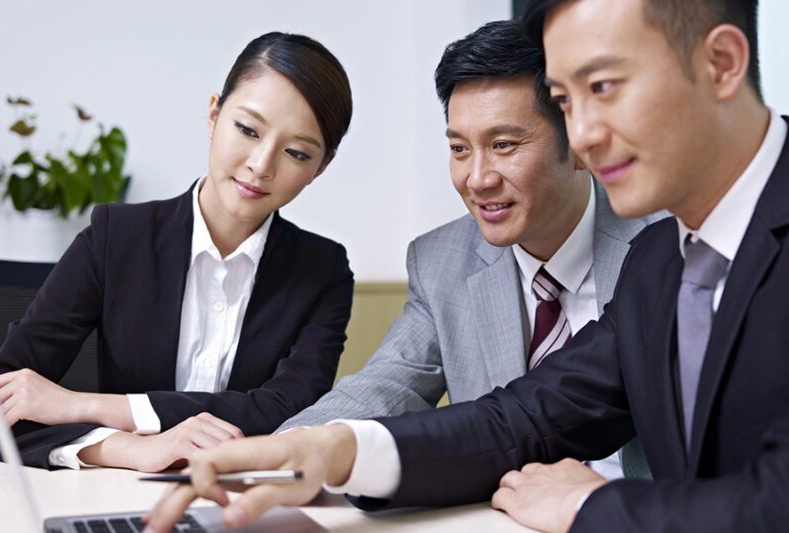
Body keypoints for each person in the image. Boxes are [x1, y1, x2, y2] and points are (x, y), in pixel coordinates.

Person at [145, 0, 789, 532]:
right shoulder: (665, 259)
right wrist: (332, 448)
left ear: (721, 64)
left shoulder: (648, 240)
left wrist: (588, 507)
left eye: (604, 89)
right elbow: (525, 417)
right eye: (568, 101)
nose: (586, 135)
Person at [277, 18, 662, 481]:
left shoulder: (664, 242)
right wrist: (284, 453)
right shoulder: (440, 261)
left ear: (579, 141)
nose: (477, 179)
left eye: (503, 145)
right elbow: (385, 385)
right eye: (460, 149)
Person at [0, 32, 354, 472]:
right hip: (110, 491)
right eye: (247, 130)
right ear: (214, 115)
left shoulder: (323, 271)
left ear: (320, 168)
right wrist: (132, 449)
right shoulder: (114, 237)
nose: (261, 165)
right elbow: (2, 398)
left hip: (244, 496)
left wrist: (84, 405)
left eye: (296, 152)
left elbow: (289, 410)